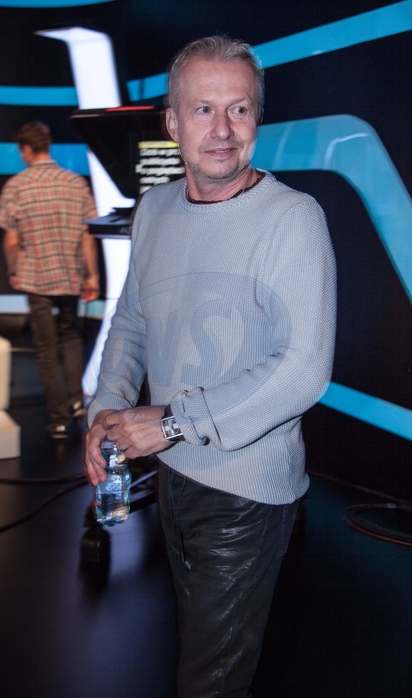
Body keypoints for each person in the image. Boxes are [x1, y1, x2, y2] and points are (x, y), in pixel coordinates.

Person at [84, 36, 336, 697]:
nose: (222, 130)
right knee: (201, 656)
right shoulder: (156, 209)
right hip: (174, 475)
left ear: (258, 118)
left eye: (239, 109)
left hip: (247, 493)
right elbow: (131, 322)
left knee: (208, 683)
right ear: (172, 122)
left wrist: (170, 422)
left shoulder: (293, 219)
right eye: (203, 109)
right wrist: (104, 411)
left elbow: (304, 369)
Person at [0, 121, 100, 439]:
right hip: (69, 275)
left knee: (45, 346)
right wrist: (92, 275)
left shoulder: (17, 185)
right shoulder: (75, 183)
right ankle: (77, 404)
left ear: (27, 149)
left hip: (35, 277)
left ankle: (58, 420)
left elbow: (11, 241)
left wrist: (13, 271)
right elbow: (87, 236)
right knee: (70, 338)